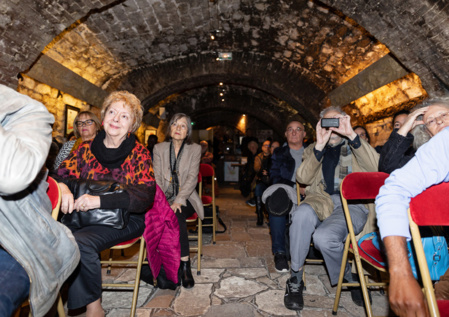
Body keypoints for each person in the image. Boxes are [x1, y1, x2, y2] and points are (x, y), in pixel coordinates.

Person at [55, 91, 156, 316]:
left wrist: (98, 201)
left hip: (126, 219)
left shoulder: (139, 153)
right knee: (52, 237)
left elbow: (144, 196)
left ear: (132, 125)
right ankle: (51, 298)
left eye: (124, 116)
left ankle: (94, 308)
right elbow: (58, 174)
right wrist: (62, 186)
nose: (116, 119)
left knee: (79, 242)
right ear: (103, 117)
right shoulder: (85, 148)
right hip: (83, 217)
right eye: (112, 112)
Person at [284, 106, 379, 311]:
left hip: (351, 204)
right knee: (300, 215)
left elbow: (376, 168)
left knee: (324, 238)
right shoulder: (313, 149)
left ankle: (349, 276)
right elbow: (302, 178)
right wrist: (319, 145)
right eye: (328, 122)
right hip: (321, 200)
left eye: (337, 121)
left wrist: (351, 134)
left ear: (345, 121)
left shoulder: (357, 145)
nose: (333, 127)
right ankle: (295, 278)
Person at [0, 85, 80, 317]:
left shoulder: (27, 115)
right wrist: (61, 182)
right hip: (66, 200)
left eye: (89, 123)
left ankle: (89, 304)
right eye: (81, 123)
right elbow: (59, 168)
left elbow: (15, 177)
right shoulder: (70, 146)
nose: (84, 128)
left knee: (85, 241)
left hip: (19, 240)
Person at [376, 100, 449, 316]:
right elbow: (388, 169)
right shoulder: (432, 150)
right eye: (431, 121)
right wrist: (407, 124)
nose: (439, 122)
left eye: (444, 115)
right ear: (425, 131)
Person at [153, 113, 204, 289]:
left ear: (188, 131)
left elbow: (191, 178)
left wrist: (178, 201)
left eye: (183, 126)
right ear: (170, 128)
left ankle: (185, 265)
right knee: (153, 216)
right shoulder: (159, 148)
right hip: (163, 198)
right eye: (175, 124)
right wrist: (163, 202)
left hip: (186, 197)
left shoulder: (195, 149)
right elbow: (157, 178)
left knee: (177, 214)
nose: (178, 128)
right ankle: (161, 264)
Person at [263, 120, 307, 273]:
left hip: (311, 192)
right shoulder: (279, 153)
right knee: (277, 202)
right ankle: (280, 253)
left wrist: (307, 187)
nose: (294, 132)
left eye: (298, 129)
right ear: (286, 134)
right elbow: (275, 177)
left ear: (304, 134)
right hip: (287, 189)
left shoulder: (314, 152)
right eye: (290, 129)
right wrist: (296, 186)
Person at [254, 139, 272, 226]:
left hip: (272, 181)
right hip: (261, 180)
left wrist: (268, 171)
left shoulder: (273, 156)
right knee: (258, 189)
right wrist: (263, 172)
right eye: (265, 145)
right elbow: (256, 169)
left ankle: (270, 217)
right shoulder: (258, 157)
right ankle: (260, 216)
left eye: (269, 145)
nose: (267, 147)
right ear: (262, 147)